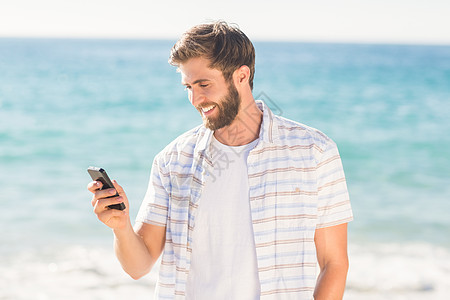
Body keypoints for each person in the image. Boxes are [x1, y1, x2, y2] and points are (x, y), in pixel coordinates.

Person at [88, 21, 353, 300]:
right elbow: (138, 266)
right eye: (188, 86)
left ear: (241, 76)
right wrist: (121, 227)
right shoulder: (172, 162)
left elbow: (334, 263)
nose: (195, 98)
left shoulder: (315, 152)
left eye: (204, 84)